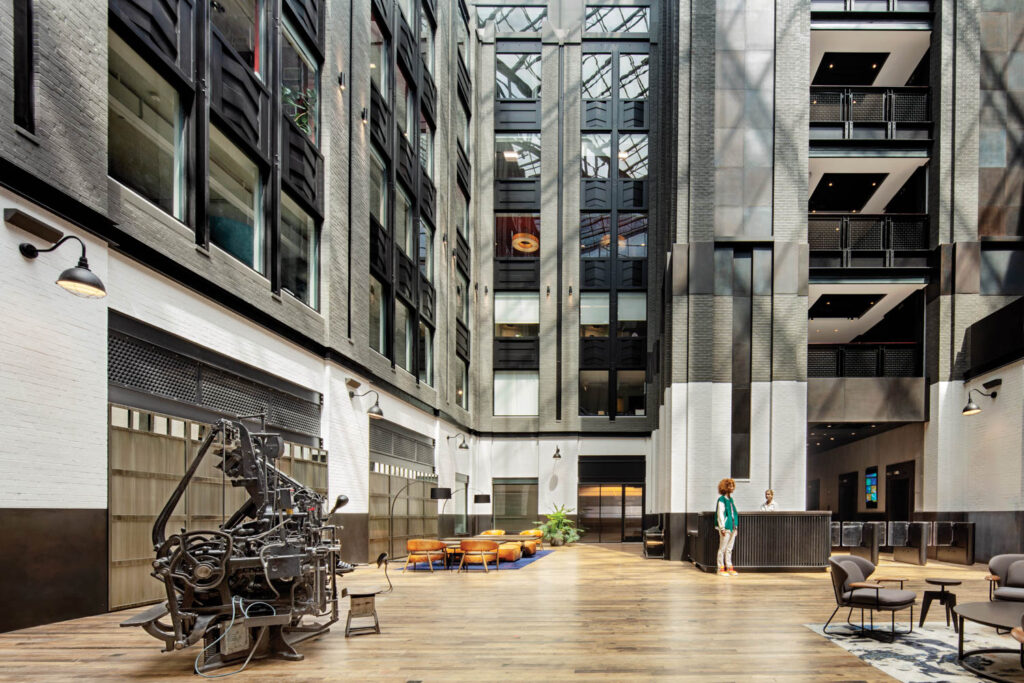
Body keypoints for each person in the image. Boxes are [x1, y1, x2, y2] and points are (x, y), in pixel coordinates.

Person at [714, 478, 739, 576]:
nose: (732, 488)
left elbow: (733, 513)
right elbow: (720, 514)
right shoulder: (721, 499)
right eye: (730, 486)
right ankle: (720, 568)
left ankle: (729, 567)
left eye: (733, 486)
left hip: (732, 526)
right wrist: (722, 527)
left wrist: (736, 526)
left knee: (729, 548)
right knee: (722, 548)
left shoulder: (731, 499)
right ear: (726, 487)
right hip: (726, 527)